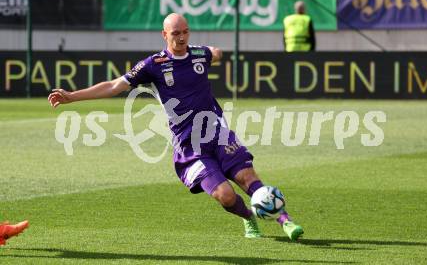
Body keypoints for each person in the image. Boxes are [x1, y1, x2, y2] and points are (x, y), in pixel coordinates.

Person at [48, 13, 304, 241]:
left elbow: (215, 52)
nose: (181, 38)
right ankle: (249, 217)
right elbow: (115, 86)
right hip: (189, 146)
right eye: (175, 33)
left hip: (218, 132)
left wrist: (214, 51)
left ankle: (286, 221)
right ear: (164, 35)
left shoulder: (198, 53)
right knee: (226, 196)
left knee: (249, 178)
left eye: (185, 32)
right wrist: (72, 96)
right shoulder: (152, 65)